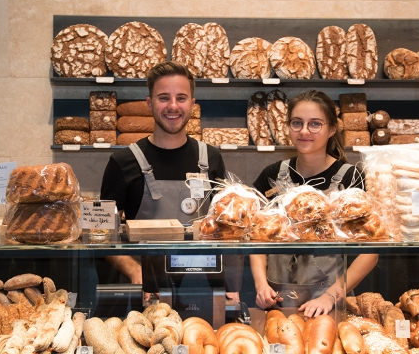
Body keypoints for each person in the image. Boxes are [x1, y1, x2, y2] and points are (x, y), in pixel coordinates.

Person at [99, 61, 240, 304]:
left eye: (181, 98)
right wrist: (134, 270)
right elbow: (101, 235)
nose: (173, 106)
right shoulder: (123, 161)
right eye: (164, 98)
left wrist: (230, 281)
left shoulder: (211, 158)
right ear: (149, 103)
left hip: (200, 287)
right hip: (145, 291)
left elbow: (224, 229)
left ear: (193, 104)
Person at [250, 90, 378, 318]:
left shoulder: (350, 178)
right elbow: (254, 236)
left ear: (332, 129)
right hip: (277, 299)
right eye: (297, 123)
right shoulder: (273, 175)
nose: (304, 131)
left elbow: (370, 251)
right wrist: (261, 285)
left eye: (315, 124)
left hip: (329, 303)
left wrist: (331, 296)